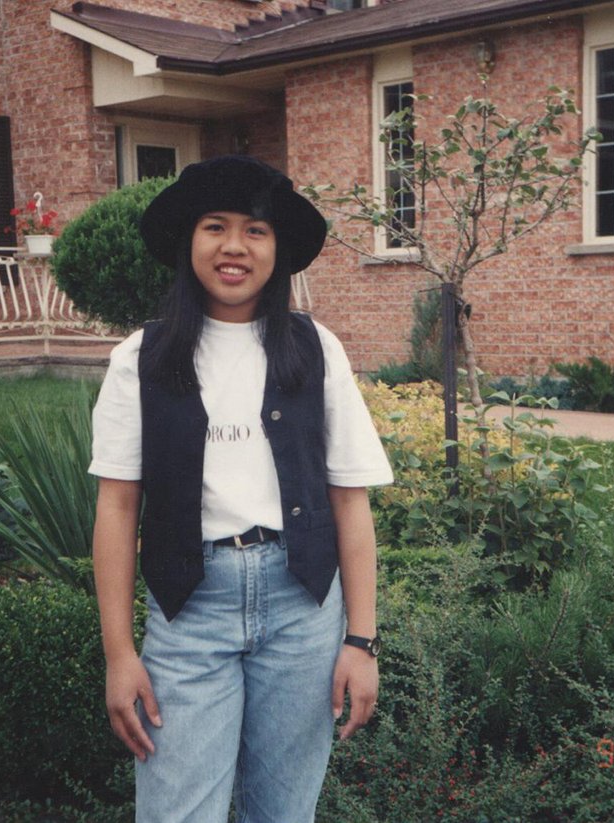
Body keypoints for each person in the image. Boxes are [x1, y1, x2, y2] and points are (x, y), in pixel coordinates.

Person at [88, 155, 393, 823]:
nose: (234, 246)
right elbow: (116, 507)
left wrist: (361, 642)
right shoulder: (141, 358)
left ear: (277, 248)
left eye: (255, 230)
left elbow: (350, 502)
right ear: (186, 241)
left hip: (302, 609)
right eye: (214, 226)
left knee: (283, 813)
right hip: (190, 611)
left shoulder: (316, 351)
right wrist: (119, 653)